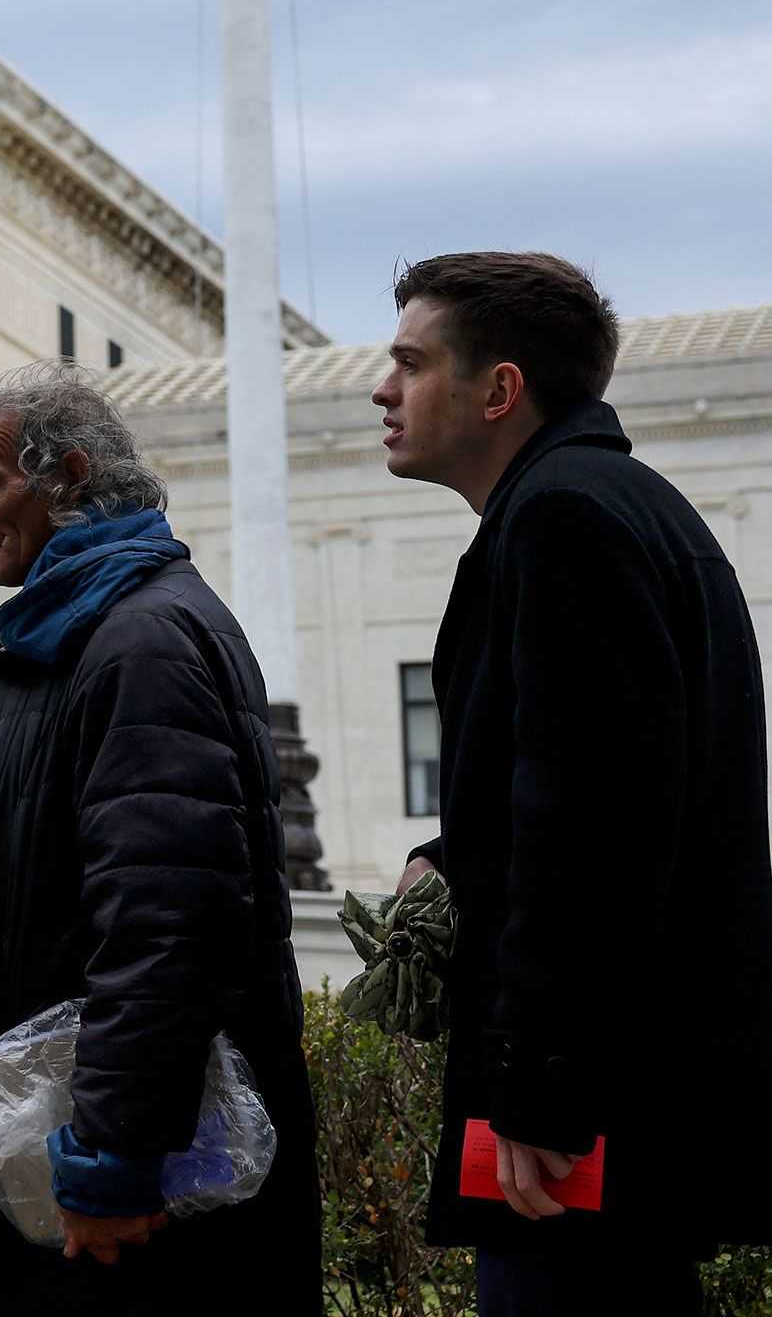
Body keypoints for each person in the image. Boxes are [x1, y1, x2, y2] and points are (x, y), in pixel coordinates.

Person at [372, 252, 769, 1314]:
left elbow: (593, 830)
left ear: (499, 389)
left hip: (579, 1116)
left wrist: (543, 1095)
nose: (381, 388)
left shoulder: (563, 520)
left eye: (411, 362)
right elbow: (625, 776)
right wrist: (453, 858)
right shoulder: (622, 506)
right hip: (629, 1089)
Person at [0, 361, 319, 1315]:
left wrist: (115, 1161)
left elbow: (168, 930)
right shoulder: (75, 640)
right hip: (66, 1199)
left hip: (116, 1224)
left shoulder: (140, 646)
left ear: (71, 477)